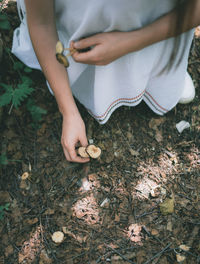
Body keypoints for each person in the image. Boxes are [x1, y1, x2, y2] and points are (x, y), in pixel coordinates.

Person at [12, 0, 200, 163]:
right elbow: (41, 22)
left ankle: (157, 74)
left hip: (157, 25)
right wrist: (69, 112)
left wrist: (131, 42)